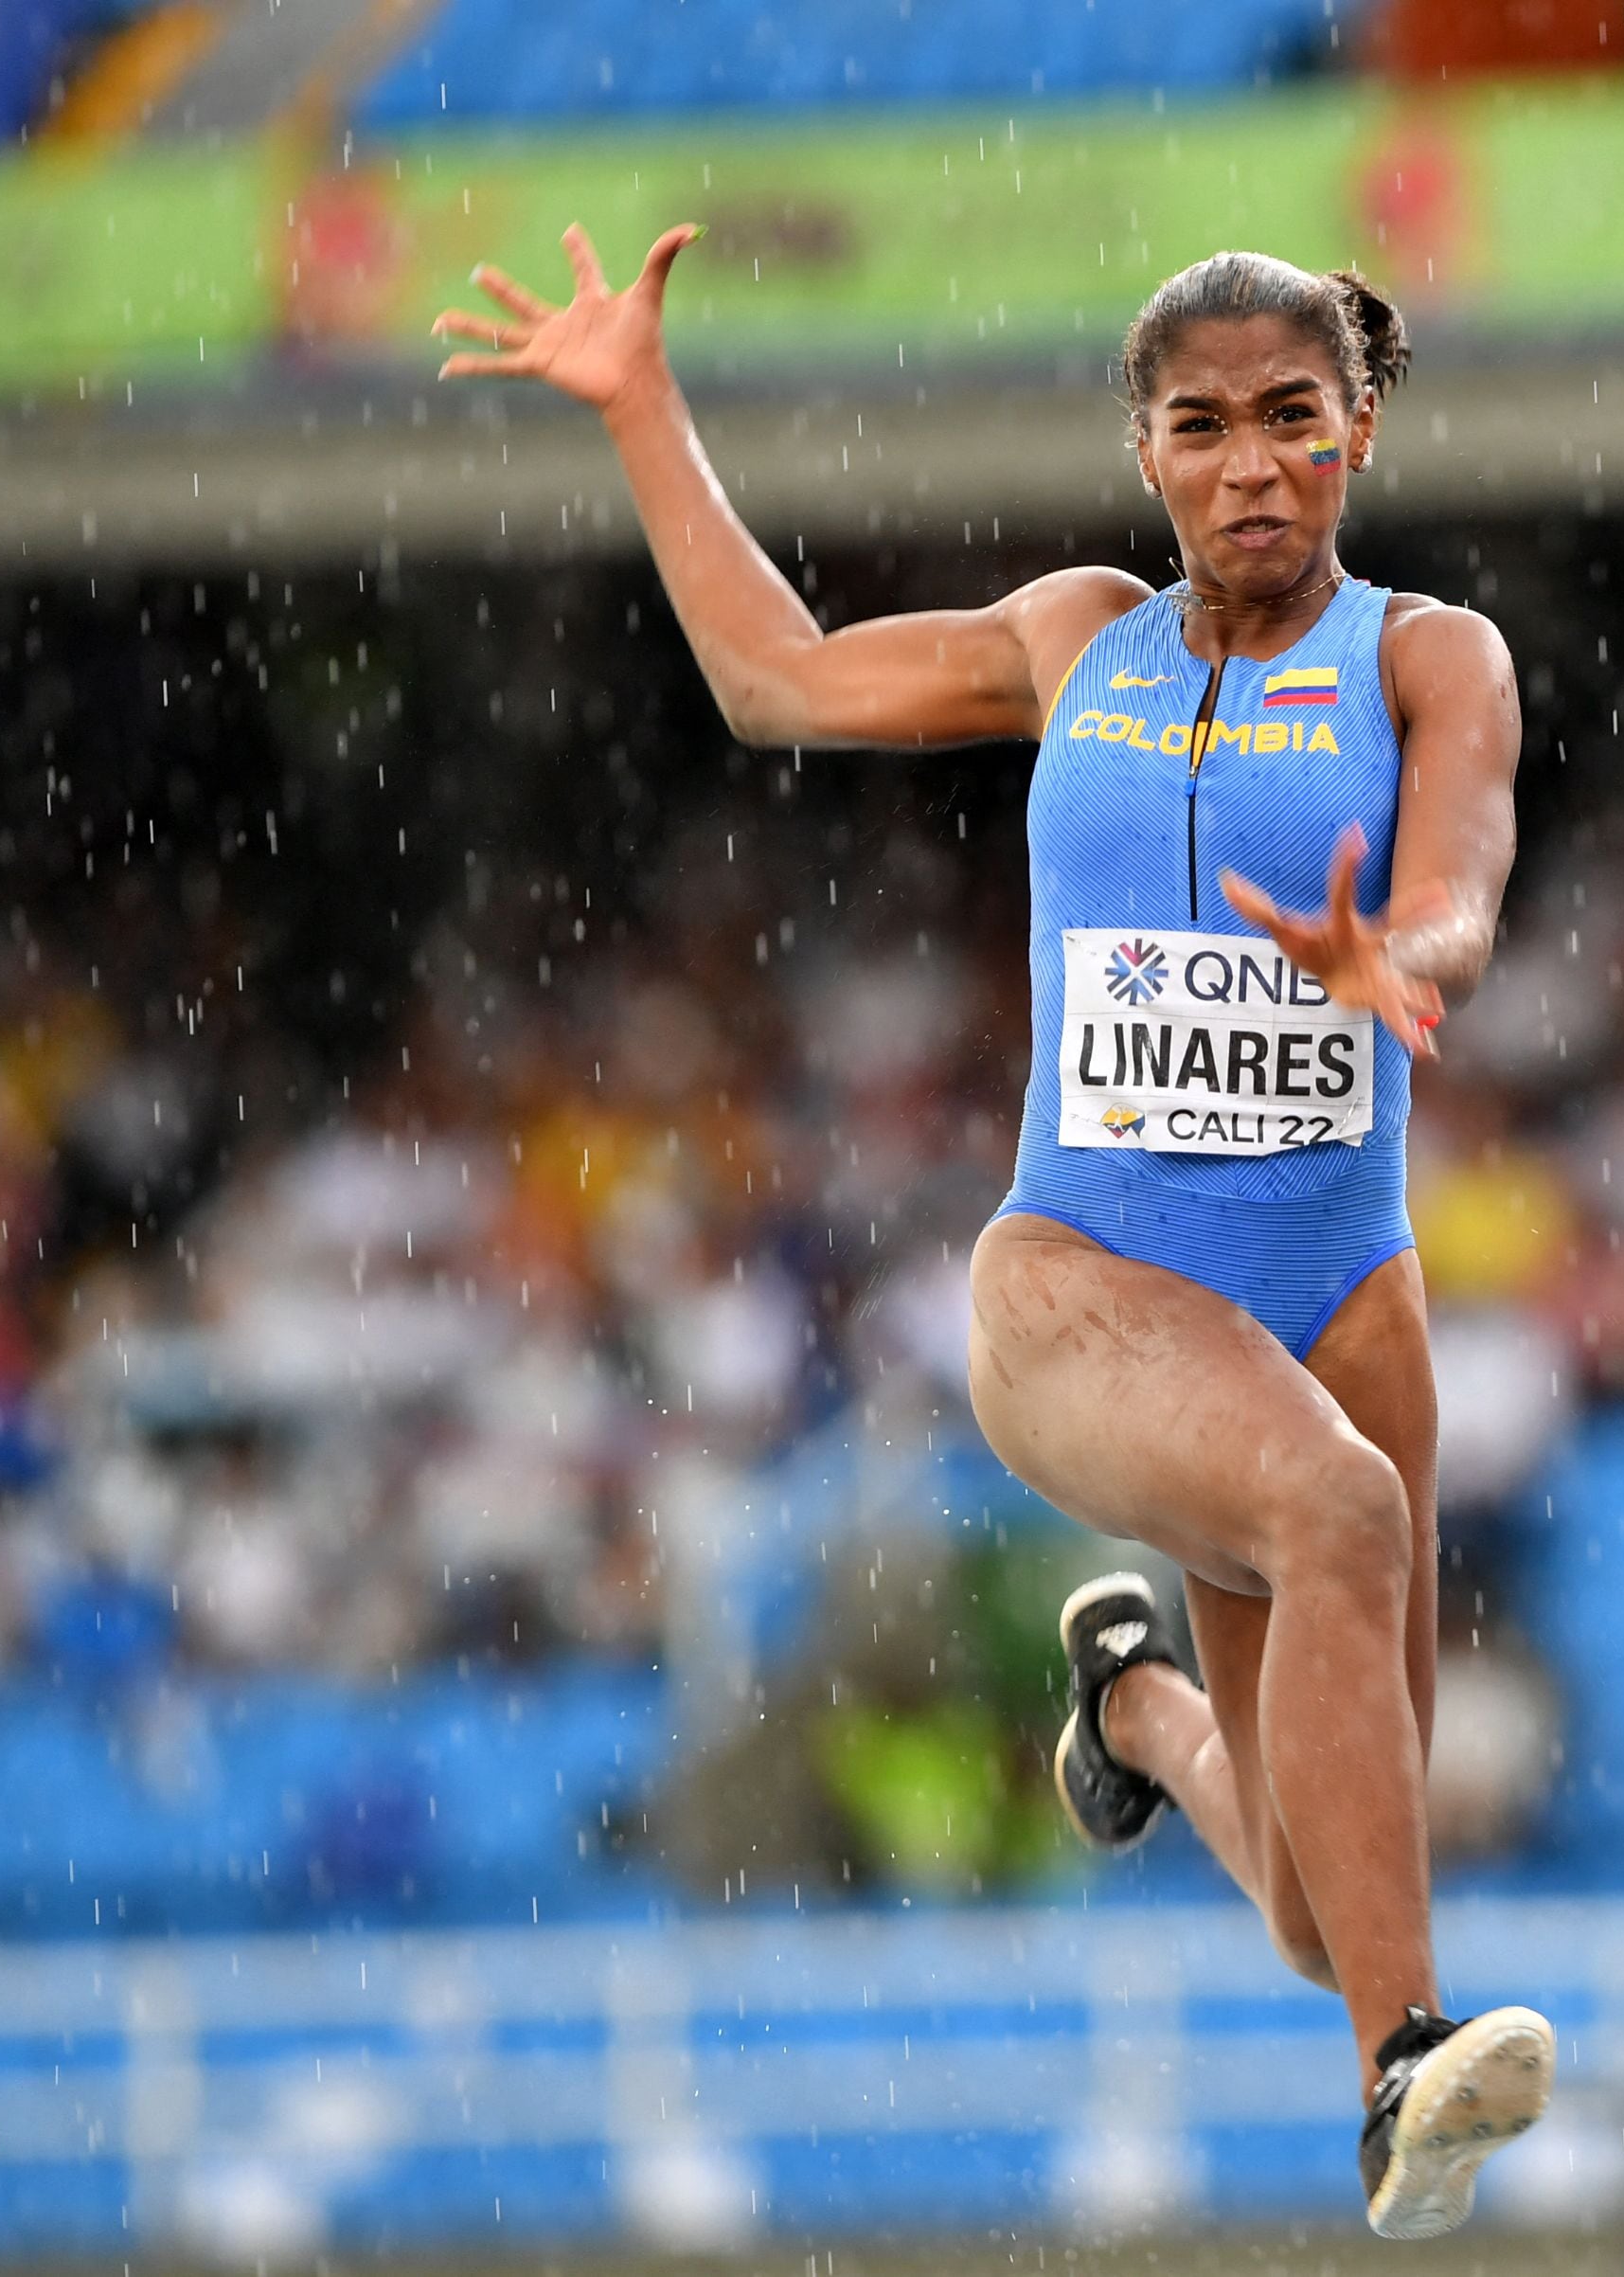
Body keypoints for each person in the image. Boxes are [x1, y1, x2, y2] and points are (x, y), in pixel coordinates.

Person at [434, 227, 1547, 2238]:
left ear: (1357, 429)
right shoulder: (1073, 639)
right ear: (1146, 446)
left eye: (1293, 420)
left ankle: (1131, 1707)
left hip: (1340, 1300)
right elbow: (776, 682)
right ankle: (1405, 2078)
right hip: (1085, 1287)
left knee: (1320, 1897)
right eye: (1202, 427)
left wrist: (1411, 946)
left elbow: (1466, 853)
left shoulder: (1425, 654)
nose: (1250, 468)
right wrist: (643, 410)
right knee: (1345, 1515)